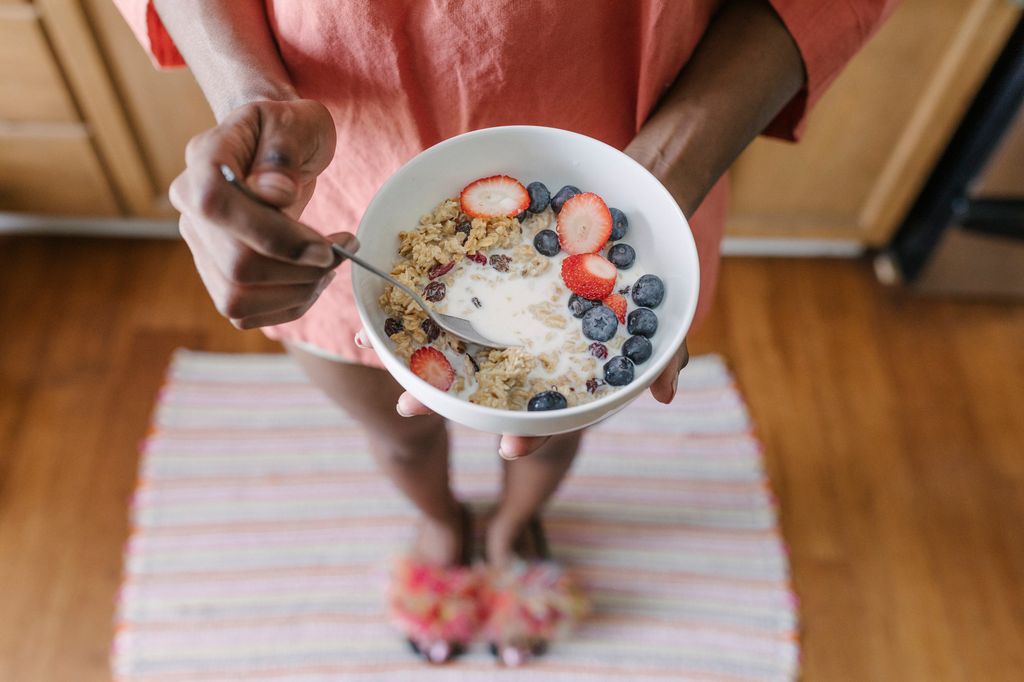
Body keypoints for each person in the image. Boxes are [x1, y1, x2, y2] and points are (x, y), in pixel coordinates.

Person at [114, 0, 895, 667]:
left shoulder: (622, 212)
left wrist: (655, 180)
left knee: (551, 426)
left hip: (629, 147)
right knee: (394, 434)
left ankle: (516, 528)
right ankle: (440, 520)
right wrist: (248, 93)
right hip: (334, 169)